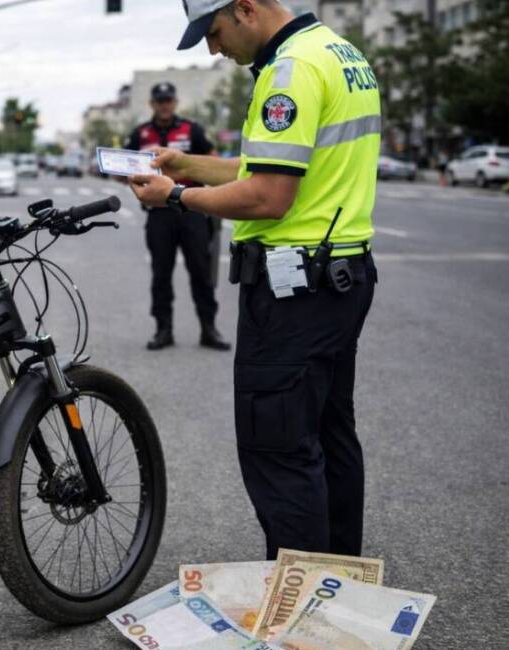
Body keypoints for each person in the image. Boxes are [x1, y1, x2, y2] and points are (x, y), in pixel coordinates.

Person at [128, 0, 379, 559]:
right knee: (329, 435)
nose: (215, 50)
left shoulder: (288, 70)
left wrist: (176, 196)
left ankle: (299, 604)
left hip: (295, 288)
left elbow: (267, 196)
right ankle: (335, 583)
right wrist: (188, 164)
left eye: (214, 33)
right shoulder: (339, 53)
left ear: (244, 8)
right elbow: (274, 167)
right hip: (342, 275)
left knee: (281, 448)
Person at [124, 82, 230, 351]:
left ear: (175, 102)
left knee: (201, 271)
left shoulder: (191, 129)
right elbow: (123, 167)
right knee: (161, 273)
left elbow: (212, 159)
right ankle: (163, 329)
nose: (164, 105)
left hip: (192, 209)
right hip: (159, 213)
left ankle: (209, 328)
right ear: (152, 104)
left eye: (168, 100)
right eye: (159, 100)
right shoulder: (141, 133)